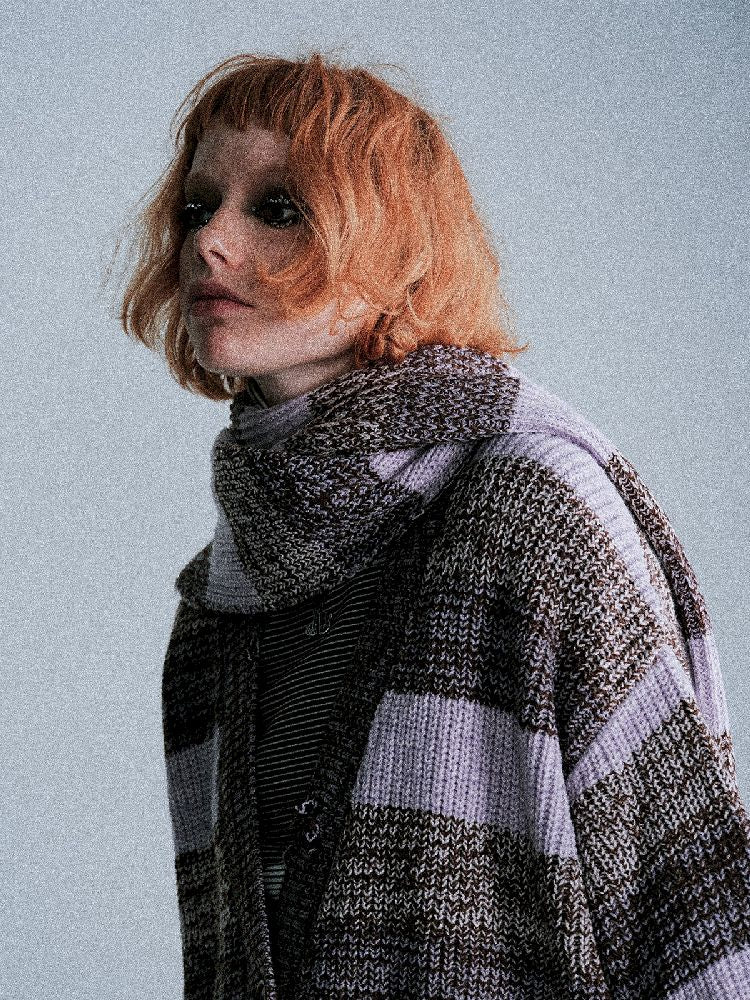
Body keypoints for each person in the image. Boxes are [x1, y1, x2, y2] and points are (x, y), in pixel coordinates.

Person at [118, 50, 750, 1000]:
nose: (211, 240)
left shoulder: (534, 508)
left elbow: (694, 925)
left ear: (395, 252)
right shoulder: (215, 608)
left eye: (279, 209)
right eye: (200, 206)